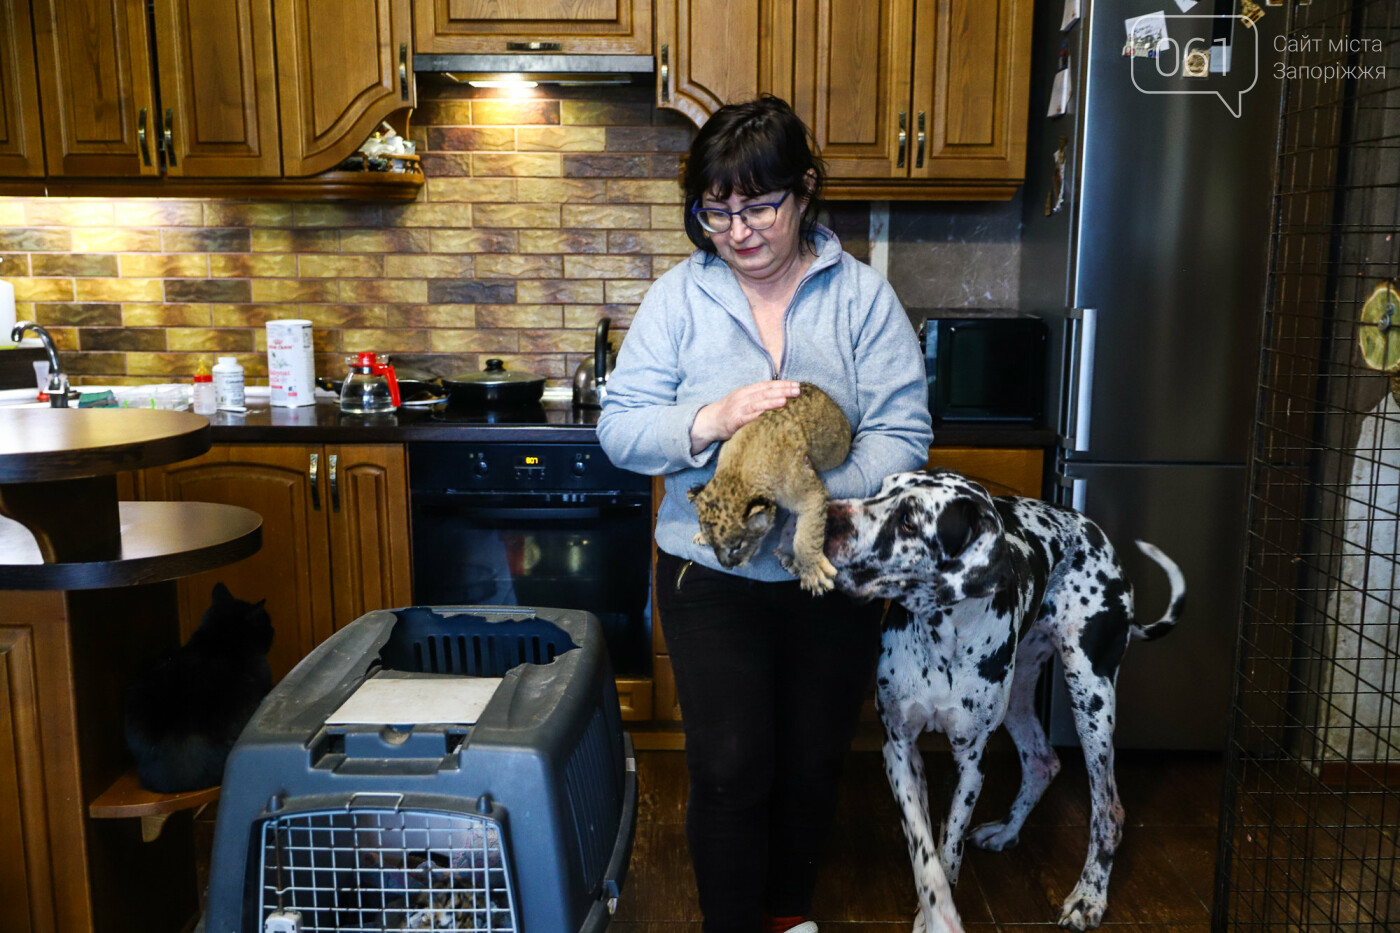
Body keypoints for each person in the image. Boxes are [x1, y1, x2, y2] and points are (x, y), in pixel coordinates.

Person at [596, 95, 933, 933]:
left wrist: (814, 489)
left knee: (814, 760)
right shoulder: (677, 300)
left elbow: (906, 429)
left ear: (805, 191)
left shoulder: (861, 299)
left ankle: (788, 919)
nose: (738, 230)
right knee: (729, 765)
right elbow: (619, 427)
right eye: (717, 210)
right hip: (708, 570)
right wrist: (710, 420)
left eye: (759, 205)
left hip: (833, 567)